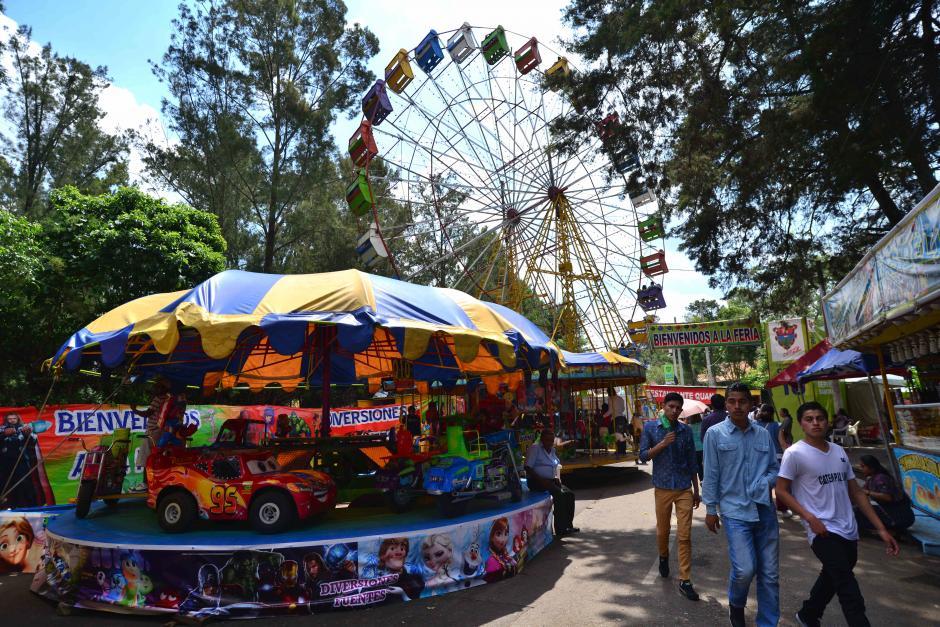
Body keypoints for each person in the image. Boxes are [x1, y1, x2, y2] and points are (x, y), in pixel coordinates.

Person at [776, 402, 899, 627]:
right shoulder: (794, 454)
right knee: (847, 586)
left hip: (849, 528)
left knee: (833, 576)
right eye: (809, 419)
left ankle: (808, 615)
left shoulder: (838, 451)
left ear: (827, 422)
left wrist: (881, 528)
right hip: (822, 531)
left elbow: (857, 492)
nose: (815, 423)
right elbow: (781, 490)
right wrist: (809, 518)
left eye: (820, 418)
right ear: (801, 423)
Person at [702, 382, 780, 627]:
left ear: (751, 404)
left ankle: (767, 622)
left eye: (742, 401)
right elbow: (711, 474)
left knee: (769, 573)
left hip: (764, 510)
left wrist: (764, 482)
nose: (737, 406)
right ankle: (736, 604)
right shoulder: (715, 434)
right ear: (726, 404)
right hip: (734, 512)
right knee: (745, 569)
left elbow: (774, 468)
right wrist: (710, 509)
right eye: (732, 401)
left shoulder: (763, 433)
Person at [639, 392, 701, 601]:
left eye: (678, 408)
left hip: (684, 487)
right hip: (663, 487)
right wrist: (662, 444)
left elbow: (692, 461)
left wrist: (696, 490)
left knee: (685, 535)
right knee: (662, 530)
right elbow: (643, 455)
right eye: (671, 406)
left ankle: (685, 579)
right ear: (663, 406)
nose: (674, 411)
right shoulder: (651, 428)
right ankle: (663, 556)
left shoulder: (685, 430)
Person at [525, 428, 579, 536]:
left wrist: (556, 479)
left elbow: (554, 467)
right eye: (547, 440)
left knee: (569, 494)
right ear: (542, 440)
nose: (549, 443)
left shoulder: (552, 450)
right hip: (536, 481)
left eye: (551, 440)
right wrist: (542, 481)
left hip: (550, 480)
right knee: (559, 495)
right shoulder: (535, 449)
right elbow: (527, 467)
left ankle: (568, 525)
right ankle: (560, 529)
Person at [855, 454, 915, 532]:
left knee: (858, 513)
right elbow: (860, 493)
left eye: (863, 466)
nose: (861, 469)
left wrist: (868, 492)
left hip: (900, 518)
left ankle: (888, 530)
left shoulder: (881, 478)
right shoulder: (871, 479)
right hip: (894, 515)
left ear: (872, 468)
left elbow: (887, 497)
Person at [688, 413, 704, 480]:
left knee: (698, 465)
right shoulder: (702, 424)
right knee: (705, 465)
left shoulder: (689, 426)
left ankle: (701, 479)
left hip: (694, 449)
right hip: (703, 447)